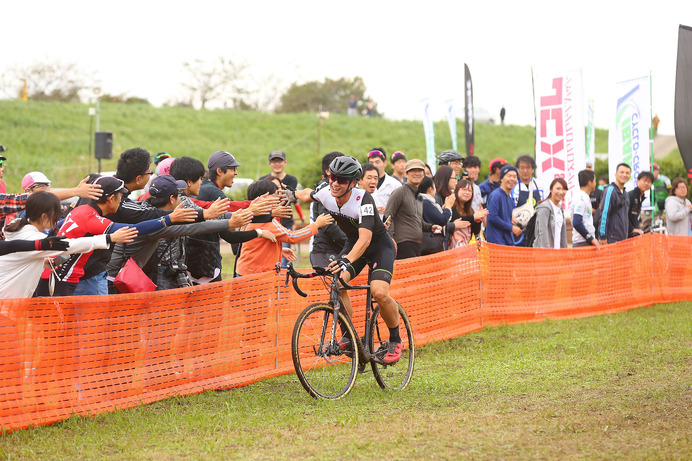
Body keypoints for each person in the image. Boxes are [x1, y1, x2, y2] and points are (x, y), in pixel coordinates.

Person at [294, 155, 403, 365]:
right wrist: (292, 193)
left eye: (341, 180)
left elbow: (366, 238)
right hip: (354, 245)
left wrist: (347, 260)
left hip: (378, 246)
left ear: (353, 183)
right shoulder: (327, 191)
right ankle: (348, 335)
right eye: (333, 177)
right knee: (338, 282)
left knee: (379, 291)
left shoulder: (363, 199)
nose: (335, 183)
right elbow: (307, 195)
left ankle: (395, 339)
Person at [41, 176, 197, 297]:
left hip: (53, 275)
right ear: (111, 199)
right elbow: (134, 229)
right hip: (64, 279)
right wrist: (169, 219)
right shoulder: (92, 219)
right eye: (120, 196)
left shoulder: (79, 211)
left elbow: (57, 228)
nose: (122, 199)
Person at [0, 191, 136, 299]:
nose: (58, 218)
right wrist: (109, 238)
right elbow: (70, 245)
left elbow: (22, 257)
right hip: (8, 302)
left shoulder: (15, 226)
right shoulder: (35, 239)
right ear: (44, 216)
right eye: (57, 213)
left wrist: (42, 261)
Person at [235, 181, 333, 277]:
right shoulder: (267, 223)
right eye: (274, 195)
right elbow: (292, 237)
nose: (277, 198)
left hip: (245, 271)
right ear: (262, 199)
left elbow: (256, 247)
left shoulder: (250, 218)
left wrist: (279, 250)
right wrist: (316, 225)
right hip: (258, 275)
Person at [385, 159, 441, 259]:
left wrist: (430, 227)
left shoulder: (418, 195)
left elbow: (417, 219)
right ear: (406, 174)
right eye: (412, 171)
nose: (416, 173)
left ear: (424, 175)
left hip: (416, 244)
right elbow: (388, 217)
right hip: (402, 244)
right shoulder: (400, 192)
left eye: (419, 171)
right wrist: (391, 240)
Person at [259, 149, 303, 268]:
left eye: (280, 161)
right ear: (269, 164)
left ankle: (282, 282)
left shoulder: (291, 180)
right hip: (267, 221)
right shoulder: (262, 180)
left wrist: (300, 218)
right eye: (274, 161)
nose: (277, 164)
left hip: (285, 221)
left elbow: (293, 199)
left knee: (283, 257)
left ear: (285, 163)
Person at [310, 152, 348, 267]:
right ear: (328, 171)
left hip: (336, 249)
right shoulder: (325, 190)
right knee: (326, 284)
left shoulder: (337, 189)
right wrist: (350, 241)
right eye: (339, 165)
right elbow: (328, 225)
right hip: (325, 251)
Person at [485, 164, 521, 245]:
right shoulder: (496, 195)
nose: (512, 179)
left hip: (507, 242)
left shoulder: (509, 198)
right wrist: (511, 228)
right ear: (501, 178)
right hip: (497, 243)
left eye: (514, 176)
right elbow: (492, 217)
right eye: (509, 176)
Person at [418, 176, 454, 255]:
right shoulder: (425, 202)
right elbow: (442, 220)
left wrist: (444, 208)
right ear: (430, 189)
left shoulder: (422, 201)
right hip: (429, 245)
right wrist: (448, 207)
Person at [597, 163, 631, 244]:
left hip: (623, 239)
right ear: (616, 174)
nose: (624, 175)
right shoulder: (610, 191)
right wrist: (602, 236)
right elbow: (604, 213)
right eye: (622, 172)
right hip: (610, 239)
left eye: (627, 173)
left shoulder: (626, 194)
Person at [532, 178, 568, 249]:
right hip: (545, 254)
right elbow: (542, 232)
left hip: (557, 253)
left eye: (564, 189)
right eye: (558, 188)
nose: (561, 192)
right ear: (551, 190)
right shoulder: (544, 207)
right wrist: (547, 252)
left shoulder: (560, 209)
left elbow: (562, 234)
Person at [449, 179, 486, 246]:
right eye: (464, 189)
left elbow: (475, 231)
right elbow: (456, 218)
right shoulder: (452, 205)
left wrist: (478, 221)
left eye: (470, 191)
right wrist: (473, 217)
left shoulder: (470, 209)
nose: (467, 193)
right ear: (457, 190)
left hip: (466, 245)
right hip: (453, 245)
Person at [367, 148, 401, 215]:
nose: (374, 165)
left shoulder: (395, 184)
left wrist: (389, 210)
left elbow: (402, 208)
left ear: (385, 163)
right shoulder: (362, 184)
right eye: (371, 163)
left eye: (377, 162)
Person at [571, 169, 600, 248]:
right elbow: (576, 222)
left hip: (584, 242)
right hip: (582, 243)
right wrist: (590, 238)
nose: (595, 183)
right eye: (594, 181)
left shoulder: (584, 196)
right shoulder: (581, 199)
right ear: (589, 183)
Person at [628, 171, 654, 237]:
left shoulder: (641, 197)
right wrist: (632, 229)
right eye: (644, 181)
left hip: (635, 232)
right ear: (638, 181)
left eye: (649, 182)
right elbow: (624, 216)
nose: (646, 183)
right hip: (627, 233)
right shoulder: (630, 195)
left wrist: (640, 223)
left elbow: (635, 215)